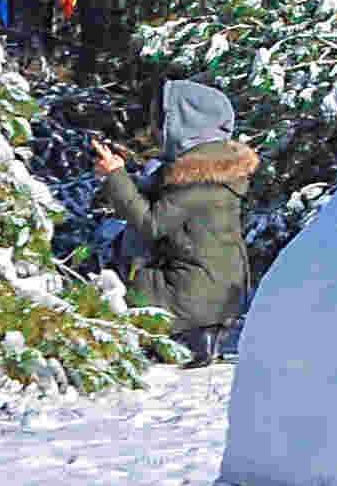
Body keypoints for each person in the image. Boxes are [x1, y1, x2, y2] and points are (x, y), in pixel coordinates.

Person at [90, 78, 258, 367]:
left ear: (186, 124)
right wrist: (117, 176)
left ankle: (183, 339)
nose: (157, 129)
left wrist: (116, 177)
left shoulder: (199, 176)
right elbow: (160, 206)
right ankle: (197, 335)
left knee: (117, 286)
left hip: (196, 294)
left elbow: (151, 223)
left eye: (164, 120)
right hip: (213, 290)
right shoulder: (209, 169)